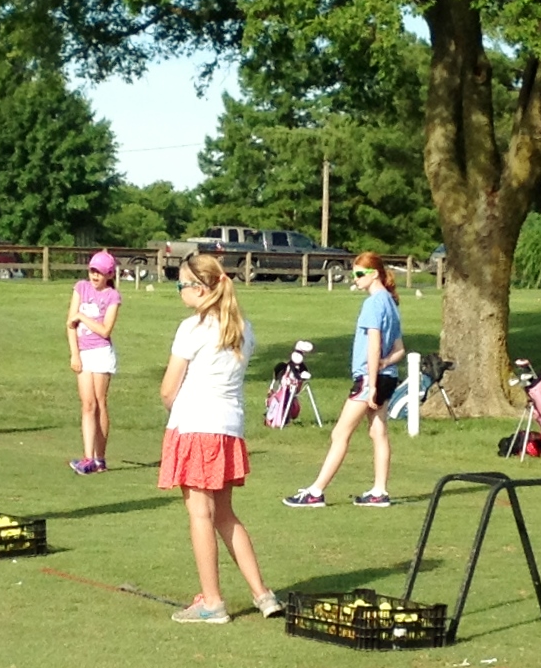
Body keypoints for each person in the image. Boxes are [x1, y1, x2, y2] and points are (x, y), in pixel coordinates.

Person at [159, 252, 283, 623]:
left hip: (196, 426)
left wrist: (176, 413)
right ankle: (263, 595)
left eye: (182, 284)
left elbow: (168, 389)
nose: (180, 291)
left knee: (200, 513)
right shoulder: (244, 328)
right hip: (229, 430)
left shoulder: (192, 329)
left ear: (200, 288)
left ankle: (212, 602)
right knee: (225, 514)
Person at [284, 252, 404, 509]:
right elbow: (399, 349)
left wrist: (371, 382)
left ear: (374, 274)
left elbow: (374, 345)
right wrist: (385, 364)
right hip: (387, 377)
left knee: (340, 433)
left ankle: (316, 491)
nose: (356, 278)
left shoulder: (373, 304)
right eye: (354, 273)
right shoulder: (391, 303)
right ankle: (380, 491)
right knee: (378, 431)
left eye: (360, 273)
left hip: (369, 380)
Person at [66, 250, 122, 474]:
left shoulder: (112, 296)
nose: (95, 276)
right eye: (92, 271)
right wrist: (74, 354)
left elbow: (105, 329)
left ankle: (100, 457)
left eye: (99, 273)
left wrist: (83, 317)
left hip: (101, 352)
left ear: (109, 274)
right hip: (84, 352)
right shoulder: (81, 288)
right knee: (87, 405)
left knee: (99, 402)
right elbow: (70, 322)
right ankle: (88, 457)